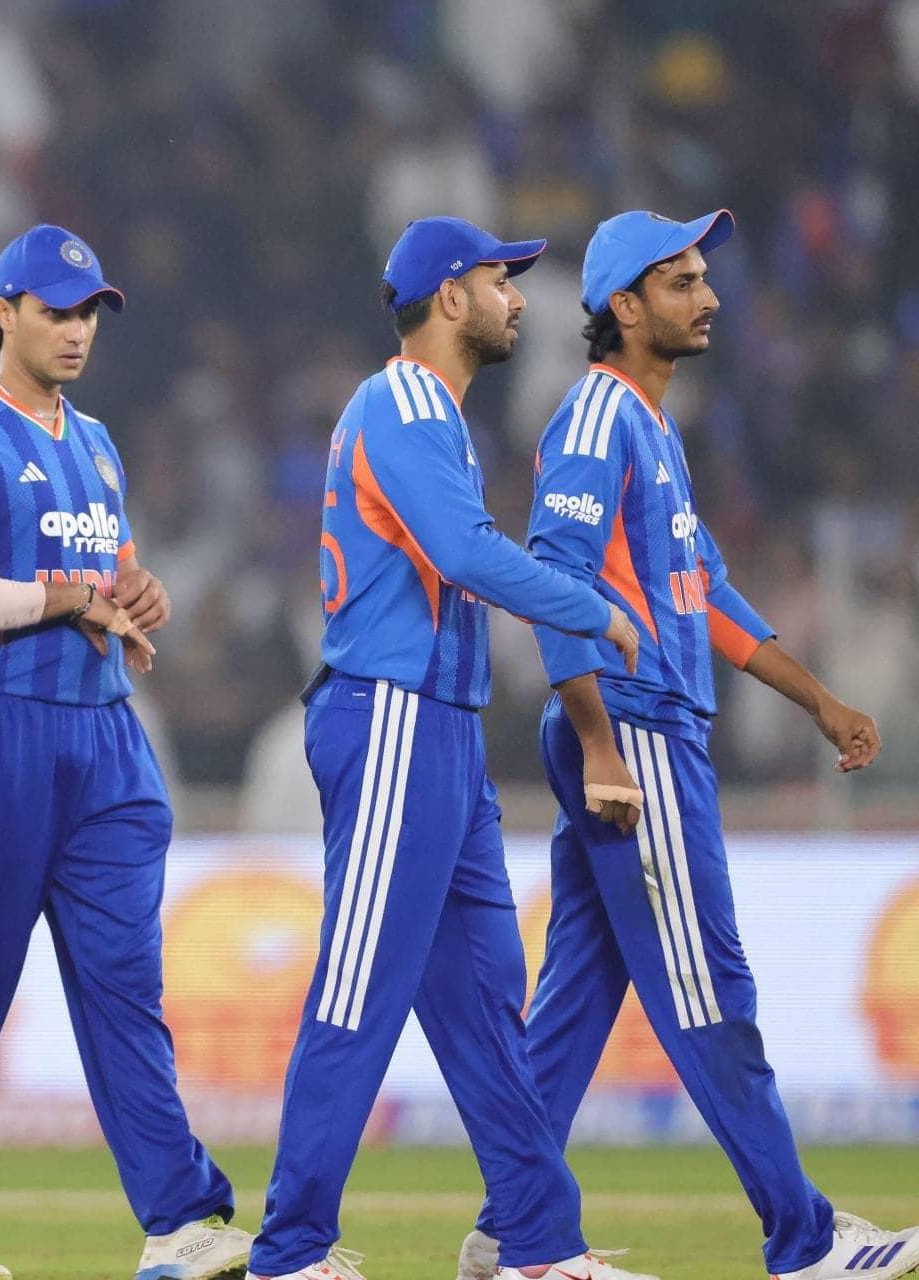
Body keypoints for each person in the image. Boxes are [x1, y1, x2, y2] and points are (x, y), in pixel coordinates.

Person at [457, 209, 914, 1280]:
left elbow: (705, 593)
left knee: (575, 1003)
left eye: (705, 277)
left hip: (643, 725)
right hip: (632, 729)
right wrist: (601, 744)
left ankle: (512, 1229)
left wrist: (820, 702)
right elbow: (556, 582)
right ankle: (803, 1240)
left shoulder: (651, 428)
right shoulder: (594, 420)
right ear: (623, 306)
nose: (708, 297)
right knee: (711, 989)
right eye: (681, 282)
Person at [247, 217, 649, 1280]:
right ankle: (289, 1250)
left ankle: (537, 1244)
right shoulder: (408, 403)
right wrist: (590, 607)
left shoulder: (429, 415)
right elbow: (463, 552)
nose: (518, 299)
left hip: (438, 726)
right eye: (501, 280)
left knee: (483, 997)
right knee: (358, 988)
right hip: (392, 717)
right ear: (452, 295)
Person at [0, 223, 251, 1280]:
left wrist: (137, 597)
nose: (78, 330)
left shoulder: (96, 443)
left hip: (104, 738)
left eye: (89, 312)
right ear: (3, 312)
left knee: (127, 988)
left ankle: (181, 1220)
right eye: (56, 311)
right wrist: (68, 596)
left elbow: (110, 580)